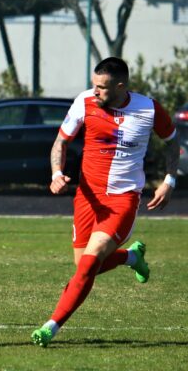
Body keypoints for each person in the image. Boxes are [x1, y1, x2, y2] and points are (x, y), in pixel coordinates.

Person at [31, 57, 180, 347]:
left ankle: (52, 325)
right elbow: (61, 142)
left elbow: (173, 143)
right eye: (94, 84)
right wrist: (57, 173)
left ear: (120, 86)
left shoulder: (149, 109)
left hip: (122, 200)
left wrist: (169, 181)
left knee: (89, 263)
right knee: (83, 265)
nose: (95, 91)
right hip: (87, 198)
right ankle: (131, 257)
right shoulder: (84, 101)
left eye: (102, 87)